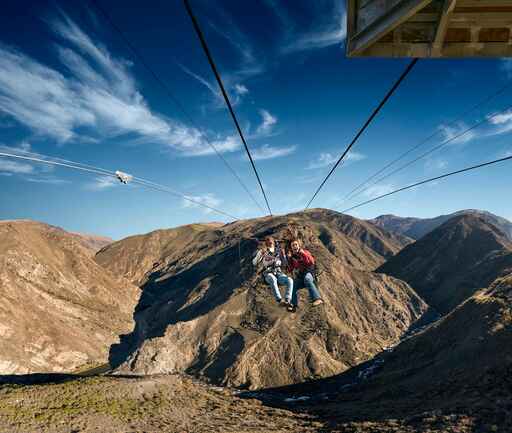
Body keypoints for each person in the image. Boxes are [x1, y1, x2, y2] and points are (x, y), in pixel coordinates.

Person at [252, 236, 293, 306]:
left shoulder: (279, 251)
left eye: (271, 240)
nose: (270, 241)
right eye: (267, 240)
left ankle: (287, 299)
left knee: (290, 280)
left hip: (278, 272)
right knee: (272, 278)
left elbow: (284, 264)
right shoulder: (263, 251)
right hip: (267, 273)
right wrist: (260, 254)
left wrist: (285, 256)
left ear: (274, 241)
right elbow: (254, 263)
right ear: (266, 243)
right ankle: (280, 300)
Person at [287, 238, 324, 312]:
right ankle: (293, 305)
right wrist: (288, 259)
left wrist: (302, 254)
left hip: (309, 273)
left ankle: (317, 299)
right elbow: (290, 269)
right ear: (291, 248)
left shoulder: (305, 252)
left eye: (296, 244)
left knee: (307, 279)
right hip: (301, 276)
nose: (295, 246)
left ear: (299, 245)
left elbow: (311, 262)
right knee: (292, 284)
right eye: (293, 245)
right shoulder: (293, 258)